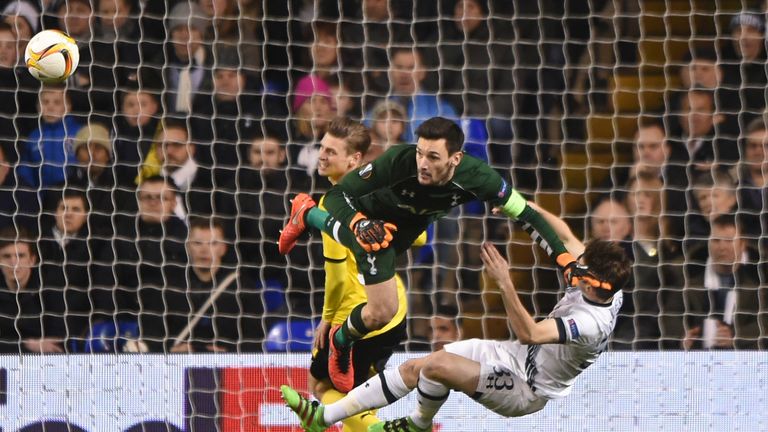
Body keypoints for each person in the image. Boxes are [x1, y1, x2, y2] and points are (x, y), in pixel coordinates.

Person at [279, 117, 574, 394]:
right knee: (382, 309)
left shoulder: (479, 178)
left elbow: (527, 216)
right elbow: (335, 196)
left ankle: (307, 215)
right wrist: (359, 223)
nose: (422, 163)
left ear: (455, 159)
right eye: (420, 153)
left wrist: (565, 260)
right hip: (372, 223)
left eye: (432, 157)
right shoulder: (400, 161)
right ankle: (340, 341)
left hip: (406, 230)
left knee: (378, 313)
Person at [279, 200, 631, 432]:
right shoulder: (605, 279)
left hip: (528, 388)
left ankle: (417, 424)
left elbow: (531, 333)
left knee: (437, 368)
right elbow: (564, 234)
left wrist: (504, 282)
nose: (573, 269)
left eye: (579, 271)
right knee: (419, 367)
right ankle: (322, 417)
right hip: (513, 356)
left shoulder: (589, 322)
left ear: (594, 285)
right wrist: (521, 207)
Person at [309, 117, 417, 431]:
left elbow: (338, 276)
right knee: (355, 392)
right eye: (322, 147)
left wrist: (327, 318)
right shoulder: (376, 194)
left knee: (321, 387)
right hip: (394, 310)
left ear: (355, 159)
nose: (322, 155)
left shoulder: (333, 203)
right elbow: (419, 236)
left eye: (331, 151)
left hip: (357, 317)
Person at [138, 217, 263, 353]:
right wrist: (171, 349)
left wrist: (228, 352)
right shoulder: (168, 286)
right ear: (188, 246)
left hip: (228, 364)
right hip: (178, 363)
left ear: (223, 248)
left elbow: (254, 338)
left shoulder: (242, 287)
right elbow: (151, 333)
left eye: (212, 243)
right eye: (198, 243)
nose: (204, 250)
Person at [682, 214, 767, 350]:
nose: (722, 247)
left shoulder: (759, 282)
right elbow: (670, 316)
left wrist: (735, 336)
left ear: (742, 244)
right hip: (696, 359)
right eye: (716, 240)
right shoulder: (686, 278)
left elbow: (764, 322)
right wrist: (682, 337)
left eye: (729, 241)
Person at [0, 226, 64, 353]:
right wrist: (28, 346)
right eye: (7, 256)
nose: (14, 263)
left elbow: (56, 343)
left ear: (32, 260)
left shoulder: (51, 290)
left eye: (21, 256)